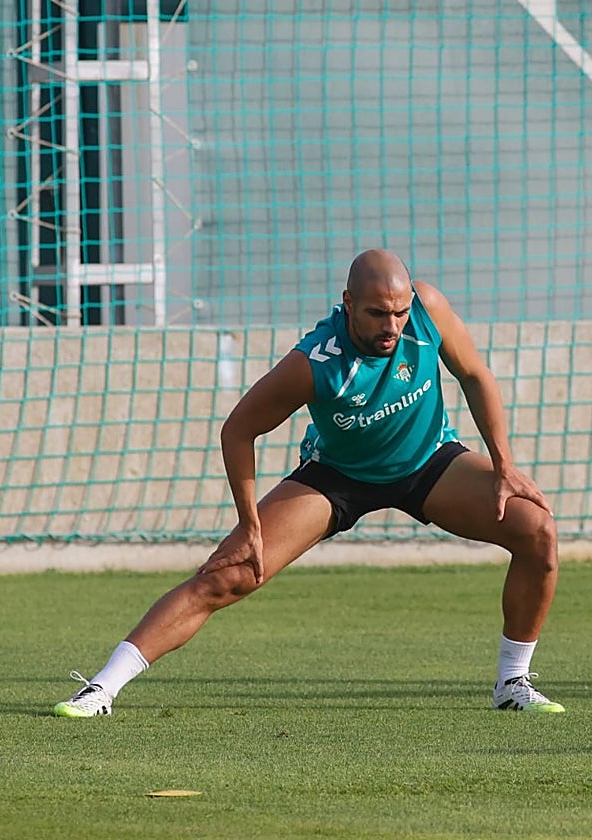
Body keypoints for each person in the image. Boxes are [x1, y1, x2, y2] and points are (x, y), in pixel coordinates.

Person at [54, 248, 565, 715]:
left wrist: (503, 463)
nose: (392, 325)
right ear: (347, 304)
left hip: (429, 462)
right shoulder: (314, 361)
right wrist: (249, 524)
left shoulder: (427, 309)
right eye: (376, 313)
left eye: (399, 311)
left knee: (537, 530)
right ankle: (102, 688)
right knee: (227, 575)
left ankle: (511, 684)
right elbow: (238, 430)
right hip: (337, 478)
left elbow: (474, 374)